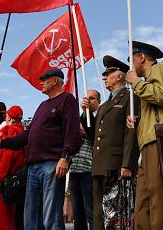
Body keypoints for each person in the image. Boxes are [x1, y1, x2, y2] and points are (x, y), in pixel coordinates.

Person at [0, 69, 82, 230]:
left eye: (45, 79)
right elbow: (26, 136)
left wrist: (65, 157)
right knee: (31, 214)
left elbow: (72, 132)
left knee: (50, 215)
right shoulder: (42, 105)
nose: (41, 82)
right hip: (32, 167)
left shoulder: (67, 100)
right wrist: (1, 143)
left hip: (52, 164)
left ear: (56, 81)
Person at [125, 41, 163, 230]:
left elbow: (159, 95)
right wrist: (138, 120)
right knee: (144, 202)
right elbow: (155, 108)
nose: (130, 67)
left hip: (161, 142)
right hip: (149, 144)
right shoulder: (146, 81)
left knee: (162, 202)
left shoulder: (159, 69)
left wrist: (135, 82)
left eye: (131, 60)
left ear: (142, 57)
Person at [84, 56, 139, 230]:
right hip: (100, 165)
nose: (104, 78)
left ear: (120, 77)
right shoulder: (104, 105)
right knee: (99, 212)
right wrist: (86, 113)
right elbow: (93, 135)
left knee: (118, 214)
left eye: (108, 74)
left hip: (117, 165)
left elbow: (132, 133)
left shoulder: (130, 97)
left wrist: (128, 164)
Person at [69, 89, 99, 230]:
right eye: (87, 97)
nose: (89, 100)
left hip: (89, 169)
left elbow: (94, 134)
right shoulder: (78, 118)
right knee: (77, 212)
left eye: (92, 98)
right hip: (75, 168)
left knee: (91, 210)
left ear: (98, 102)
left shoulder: (99, 116)